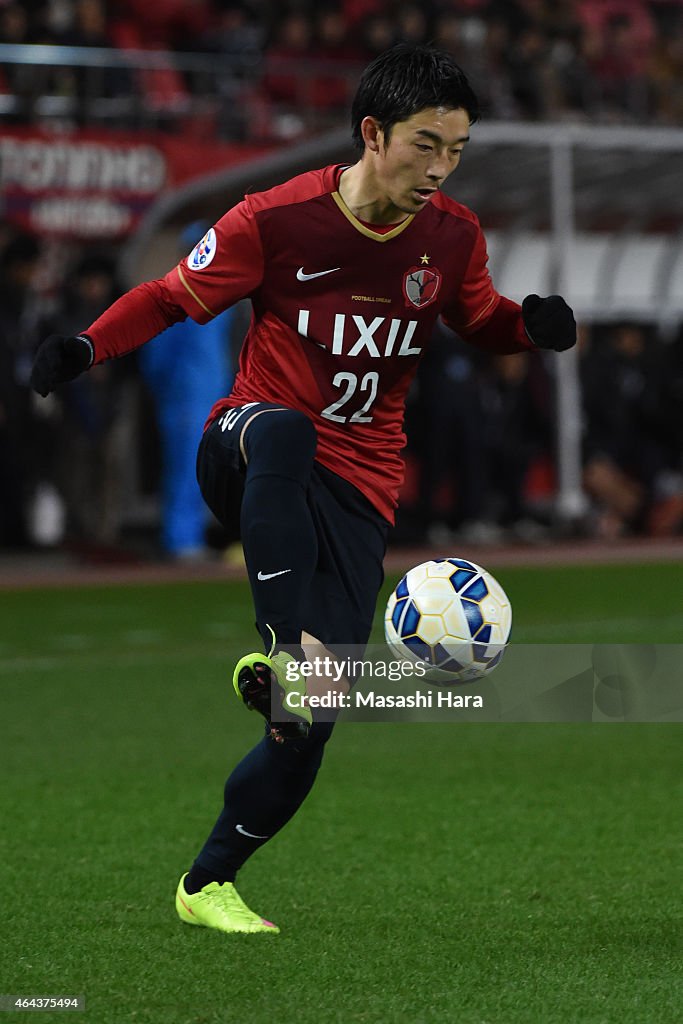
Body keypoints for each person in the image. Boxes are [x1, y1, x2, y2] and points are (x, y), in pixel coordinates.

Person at [29, 44, 576, 935]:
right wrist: (86, 348)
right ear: (372, 132)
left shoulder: (451, 237)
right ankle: (283, 648)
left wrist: (530, 327)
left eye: (456, 152)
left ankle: (208, 883)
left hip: (359, 490)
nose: (439, 170)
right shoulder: (273, 219)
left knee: (310, 722)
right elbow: (171, 299)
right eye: (424, 146)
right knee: (282, 427)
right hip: (246, 452)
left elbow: (481, 319)